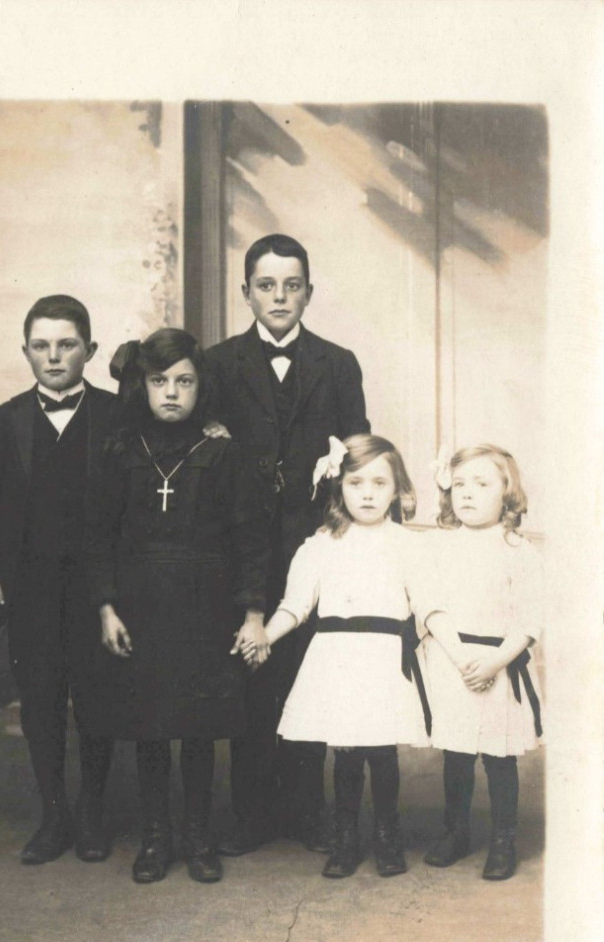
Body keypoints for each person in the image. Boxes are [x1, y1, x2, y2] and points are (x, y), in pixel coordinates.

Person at [204, 233, 370, 857]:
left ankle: (305, 810)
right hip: (239, 549)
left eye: (291, 285)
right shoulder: (217, 365)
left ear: (308, 291)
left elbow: (358, 454)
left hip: (313, 545)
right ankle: (250, 811)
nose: (279, 296)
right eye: (266, 285)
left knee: (308, 672)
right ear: (246, 291)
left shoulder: (337, 362)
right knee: (250, 672)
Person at [83, 328, 269, 885]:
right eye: (159, 381)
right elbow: (99, 536)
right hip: (141, 605)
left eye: (184, 382)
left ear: (200, 387)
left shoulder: (221, 451)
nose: (171, 393)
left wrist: (253, 611)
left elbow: (249, 538)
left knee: (197, 726)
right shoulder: (121, 451)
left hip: (206, 606)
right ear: (141, 386)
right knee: (151, 726)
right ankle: (156, 838)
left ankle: (197, 837)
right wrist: (106, 608)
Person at [0, 295, 116, 865]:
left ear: (90, 351)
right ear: (26, 351)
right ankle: (55, 816)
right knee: (42, 702)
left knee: (98, 698)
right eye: (41, 346)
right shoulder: (11, 419)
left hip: (96, 589)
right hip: (30, 590)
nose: (54, 357)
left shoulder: (115, 414)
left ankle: (95, 812)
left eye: (67, 345)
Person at [242, 435, 431, 879]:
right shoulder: (320, 545)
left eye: (380, 483)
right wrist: (265, 636)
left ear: (397, 489)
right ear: (338, 486)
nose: (367, 493)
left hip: (384, 658)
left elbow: (426, 604)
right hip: (338, 658)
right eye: (356, 482)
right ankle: (345, 838)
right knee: (345, 753)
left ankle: (388, 835)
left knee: (383, 752)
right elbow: (295, 605)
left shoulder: (408, 545)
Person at [419, 444, 543, 881]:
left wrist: (495, 662)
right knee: (456, 753)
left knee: (498, 755)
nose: (467, 493)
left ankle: (504, 838)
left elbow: (530, 619)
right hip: (454, 660)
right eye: (459, 485)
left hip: (499, 663)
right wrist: (458, 656)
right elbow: (430, 606)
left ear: (507, 493)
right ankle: (456, 831)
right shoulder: (439, 545)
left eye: (482, 484)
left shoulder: (518, 550)